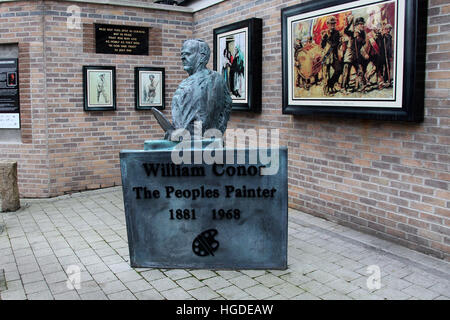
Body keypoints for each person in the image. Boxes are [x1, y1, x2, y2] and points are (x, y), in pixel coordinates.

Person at [167, 39, 232, 141]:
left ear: (202, 57)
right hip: (210, 142)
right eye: (182, 54)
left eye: (187, 54)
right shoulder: (218, 78)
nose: (182, 57)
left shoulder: (187, 85)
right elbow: (226, 111)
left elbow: (225, 109)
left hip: (191, 145)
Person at [321, 16, 341, 95]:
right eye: (331, 24)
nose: (332, 25)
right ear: (328, 24)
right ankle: (326, 90)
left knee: (339, 69)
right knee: (326, 73)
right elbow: (322, 46)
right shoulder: (325, 33)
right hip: (326, 56)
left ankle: (330, 84)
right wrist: (323, 38)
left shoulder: (336, 33)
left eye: (333, 24)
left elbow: (335, 44)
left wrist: (329, 37)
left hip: (334, 55)